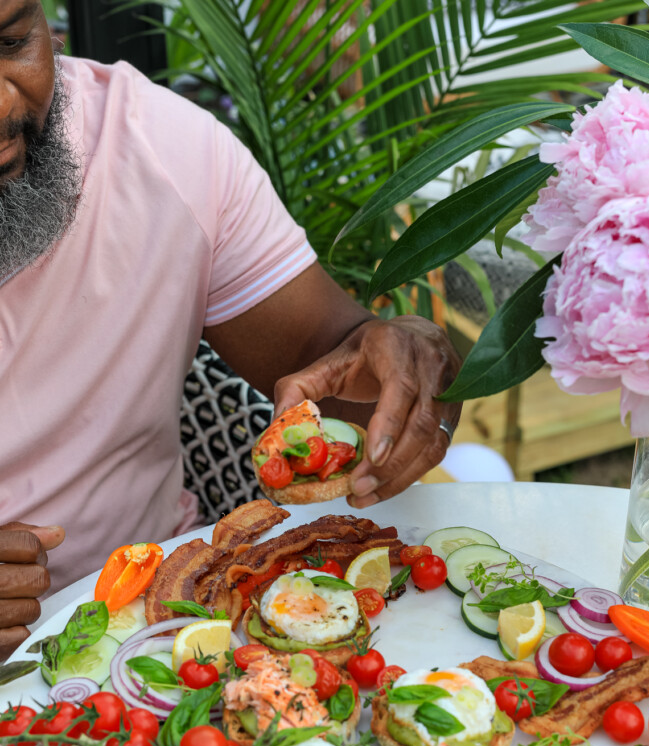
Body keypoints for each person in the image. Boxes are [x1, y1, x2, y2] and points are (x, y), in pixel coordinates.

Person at [0, 0, 461, 661]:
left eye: (12, 41)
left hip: (166, 627)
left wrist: (403, 364)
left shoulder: (162, 151)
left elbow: (335, 370)